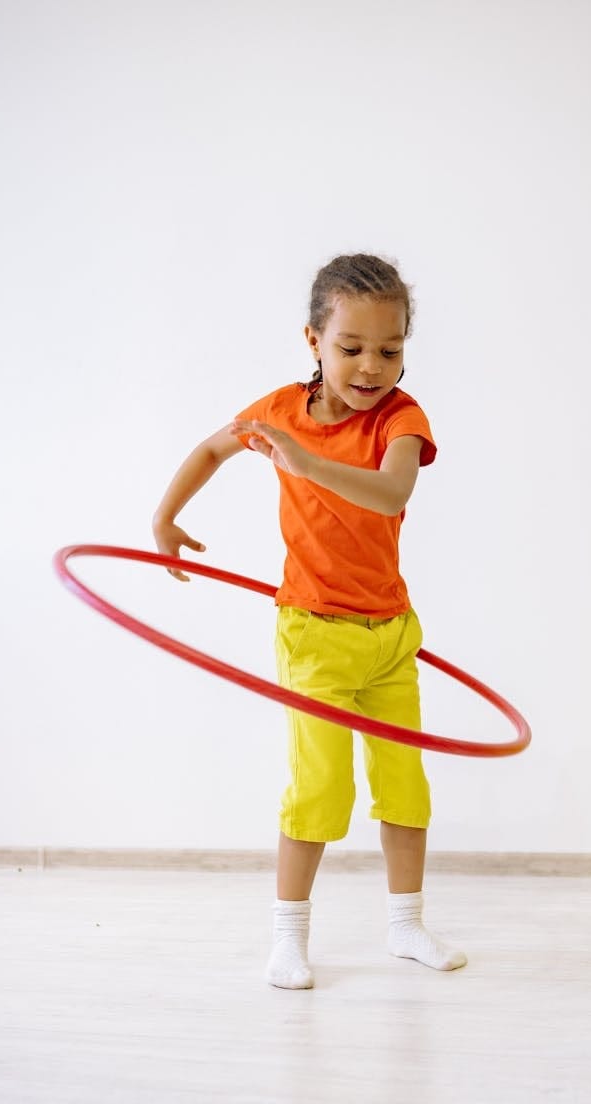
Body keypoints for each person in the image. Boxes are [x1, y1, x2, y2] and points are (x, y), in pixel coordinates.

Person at [153, 253, 467, 989]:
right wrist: (167, 517)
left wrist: (300, 463)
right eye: (350, 347)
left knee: (405, 787)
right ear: (312, 341)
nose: (371, 367)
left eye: (390, 350)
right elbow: (211, 447)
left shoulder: (402, 417)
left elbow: (390, 494)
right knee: (320, 789)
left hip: (391, 635)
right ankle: (288, 937)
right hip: (314, 632)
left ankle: (405, 925)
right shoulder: (281, 413)